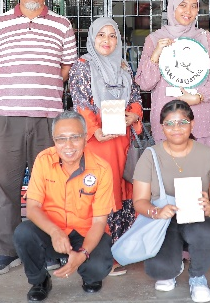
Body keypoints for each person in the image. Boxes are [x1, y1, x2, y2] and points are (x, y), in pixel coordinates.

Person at [0, 0, 77, 275]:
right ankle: (7, 250)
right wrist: (15, 85)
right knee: (6, 185)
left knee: (49, 187)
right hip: (7, 117)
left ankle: (47, 247)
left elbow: (67, 68)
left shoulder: (62, 25)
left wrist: (41, 86)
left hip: (48, 119)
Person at [132, 100, 210, 303]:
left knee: (208, 232)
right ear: (162, 127)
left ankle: (198, 276)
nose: (176, 128)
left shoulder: (206, 154)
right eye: (169, 123)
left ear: (192, 124)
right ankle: (172, 267)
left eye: (182, 122)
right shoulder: (150, 156)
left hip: (197, 220)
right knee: (159, 270)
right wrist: (157, 212)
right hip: (163, 221)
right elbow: (139, 201)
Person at [68, 17, 143, 274]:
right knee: (101, 194)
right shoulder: (82, 66)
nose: (107, 40)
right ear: (92, 38)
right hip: (97, 142)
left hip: (122, 140)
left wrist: (134, 115)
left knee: (122, 191)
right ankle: (99, 253)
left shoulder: (123, 66)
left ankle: (121, 251)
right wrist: (94, 130)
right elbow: (80, 102)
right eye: (101, 35)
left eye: (112, 35)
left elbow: (135, 97)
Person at [13, 111, 114, 302]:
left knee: (97, 268)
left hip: (86, 233)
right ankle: (40, 281)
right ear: (54, 140)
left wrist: (82, 254)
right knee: (23, 233)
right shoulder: (43, 160)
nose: (68, 145)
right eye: (61, 139)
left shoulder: (101, 168)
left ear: (85, 138)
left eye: (75, 137)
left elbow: (99, 222)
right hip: (52, 232)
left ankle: (90, 276)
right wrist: (54, 231)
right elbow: (32, 207)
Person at [135, 0, 210, 151]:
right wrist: (156, 54)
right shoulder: (155, 39)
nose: (188, 11)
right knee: (170, 165)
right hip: (168, 118)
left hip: (202, 117)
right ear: (172, 7)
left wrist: (198, 97)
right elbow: (146, 83)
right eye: (182, 5)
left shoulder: (205, 38)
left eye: (194, 6)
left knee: (204, 165)